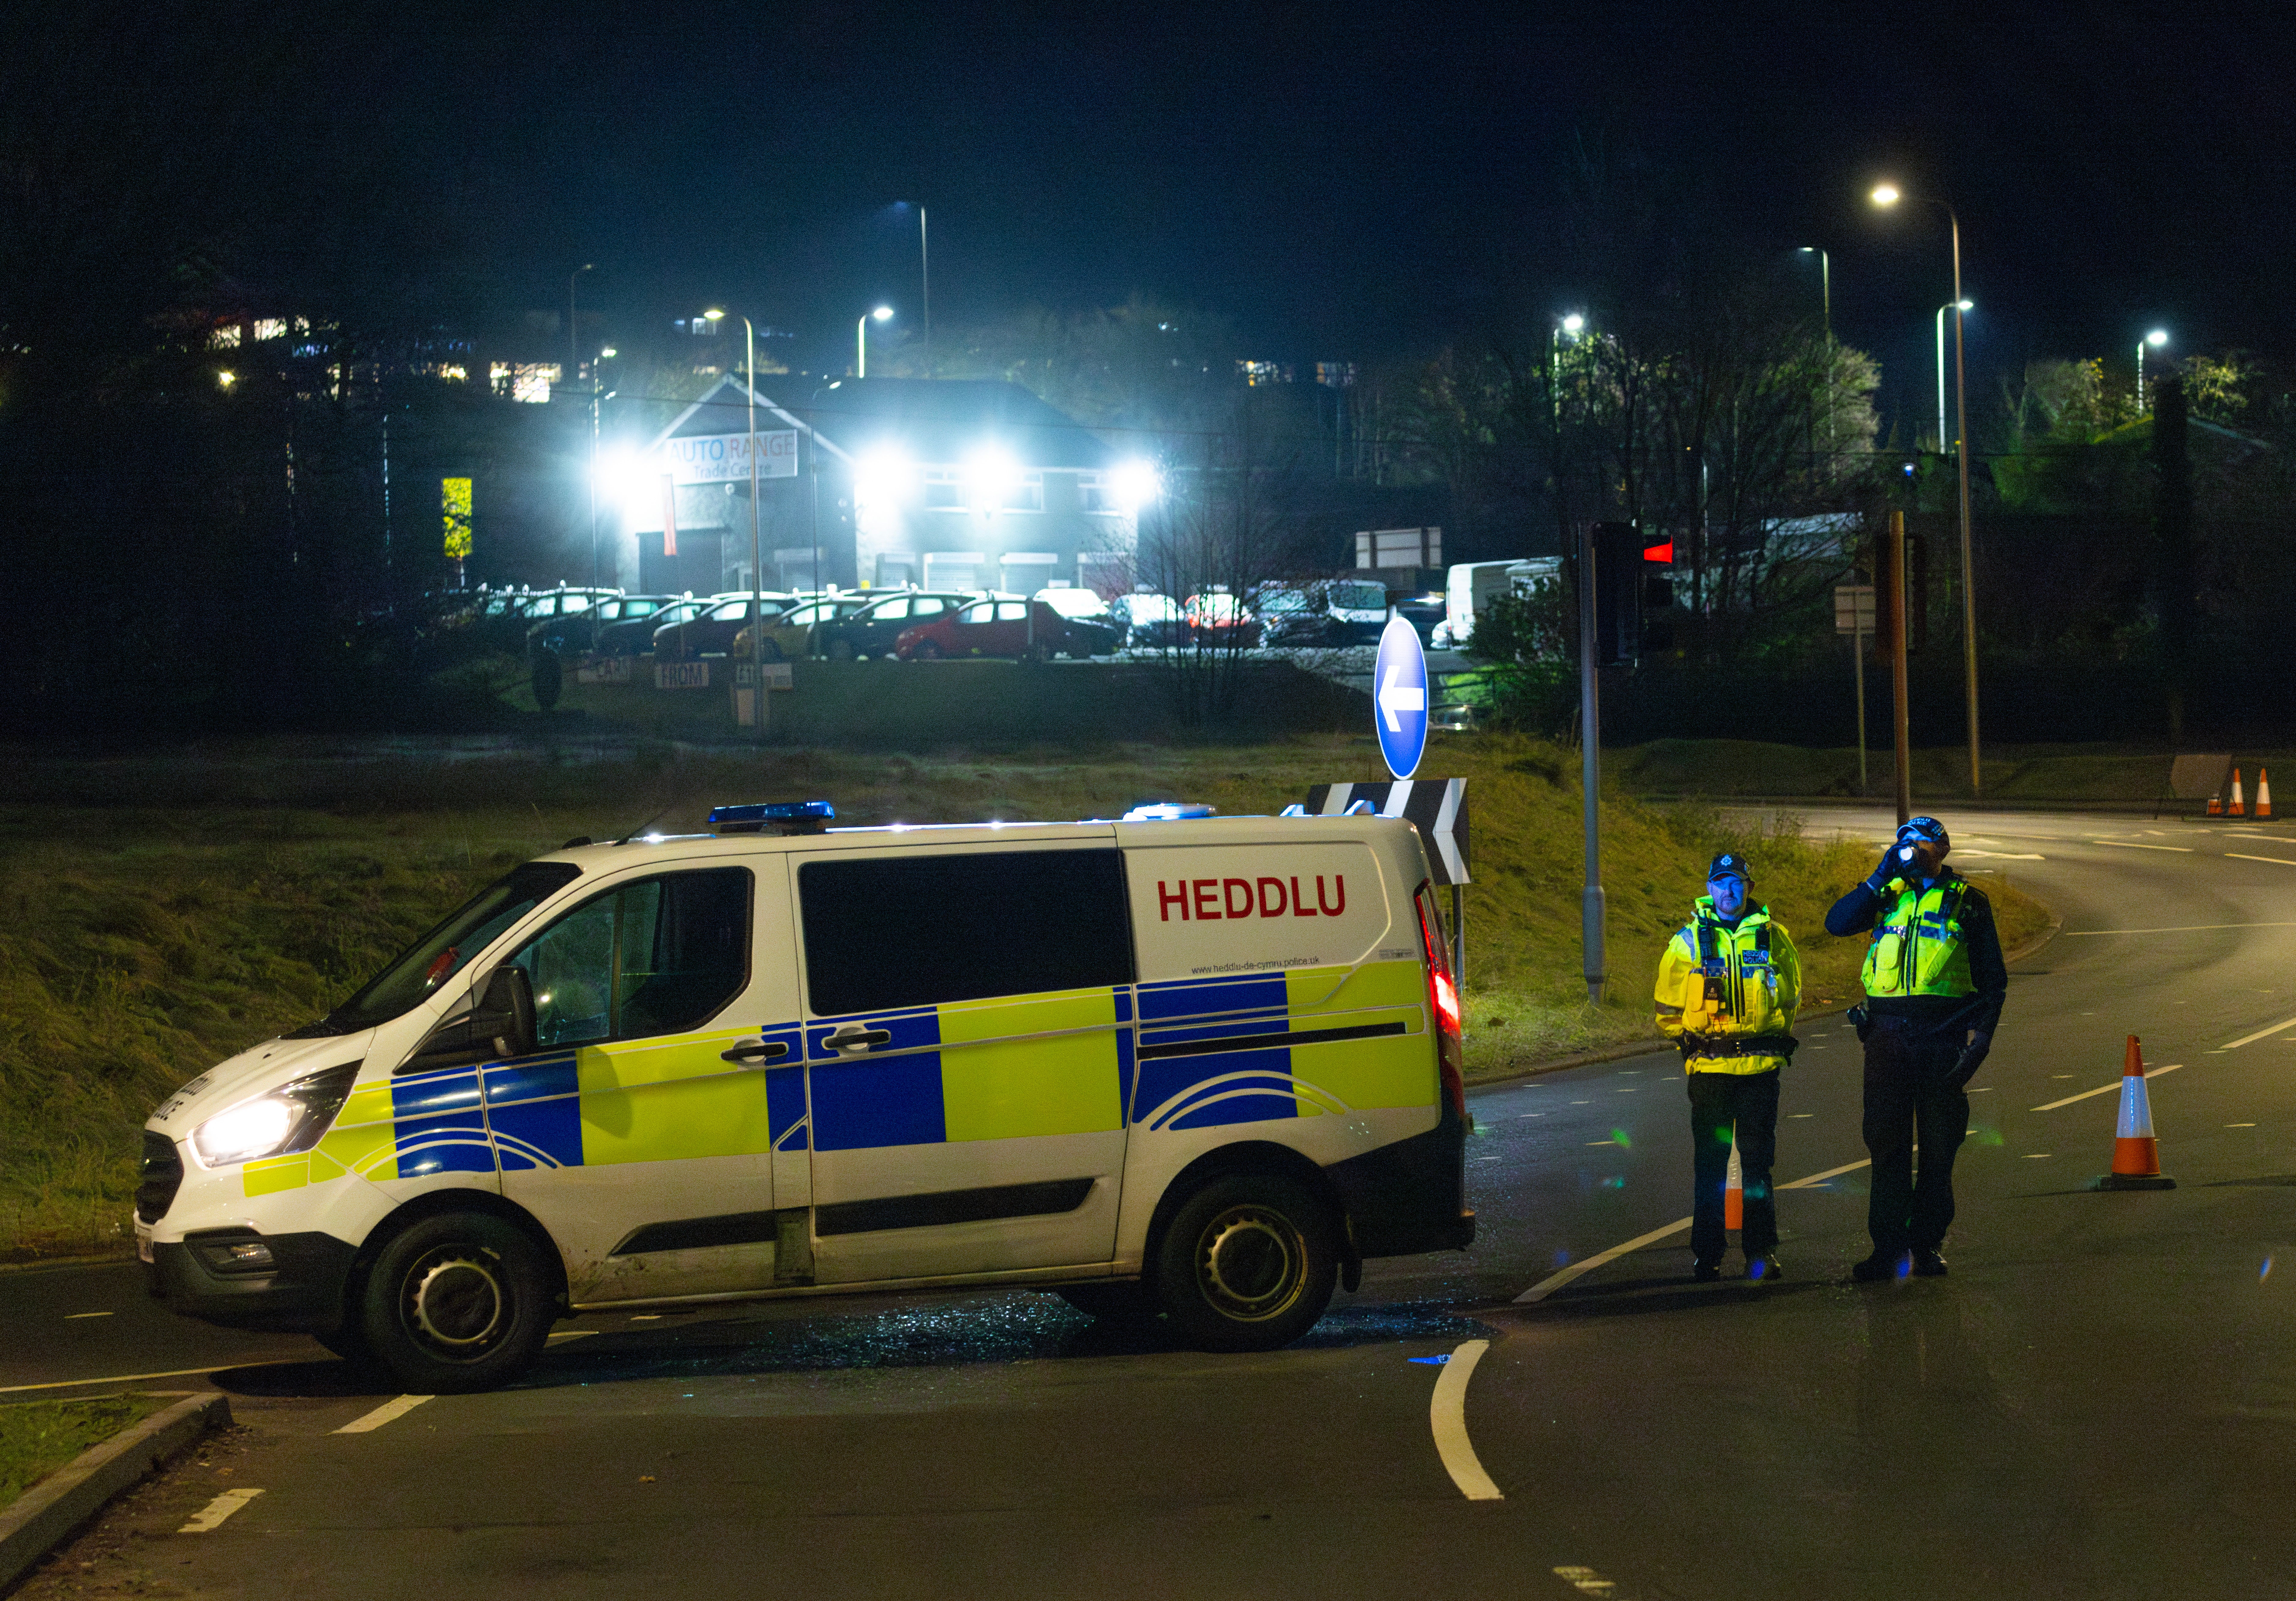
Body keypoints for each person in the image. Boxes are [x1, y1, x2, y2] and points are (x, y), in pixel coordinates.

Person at [1825, 815, 2008, 1281]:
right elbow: (1837, 923)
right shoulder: (1888, 895)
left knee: (1938, 1145)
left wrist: (1981, 1042)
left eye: (1920, 843)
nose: (1910, 851)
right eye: (1903, 843)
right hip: (1885, 1038)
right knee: (1886, 1146)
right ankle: (1887, 1249)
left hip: (1940, 1039)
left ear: (1943, 848)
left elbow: (1993, 981)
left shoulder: (1968, 902)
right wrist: (1879, 875)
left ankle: (1926, 1244)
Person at [1654, 851, 1802, 1283]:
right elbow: (1666, 1010)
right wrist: (1693, 1044)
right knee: (1710, 1165)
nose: (1728, 891)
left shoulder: (1775, 938)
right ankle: (1708, 1254)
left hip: (1759, 1071)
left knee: (1759, 1164)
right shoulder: (1687, 942)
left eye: (1736, 882)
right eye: (1720, 883)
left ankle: (1762, 1251)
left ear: (1749, 888)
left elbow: (1791, 997)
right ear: (1709, 888)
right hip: (1711, 1074)